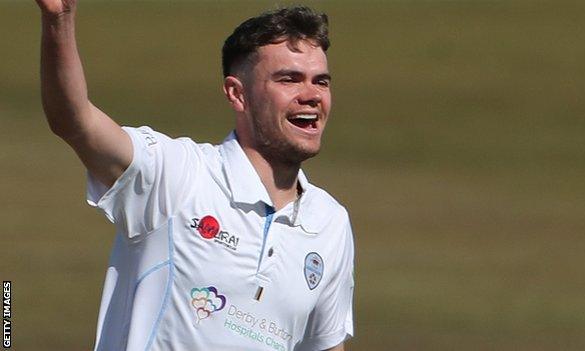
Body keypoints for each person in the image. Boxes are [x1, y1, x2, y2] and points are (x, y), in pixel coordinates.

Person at [35, 1, 355, 350]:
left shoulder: (329, 223)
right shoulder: (178, 174)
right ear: (238, 93)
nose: (311, 95)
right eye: (289, 79)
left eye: (320, 82)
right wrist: (59, 20)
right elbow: (75, 121)